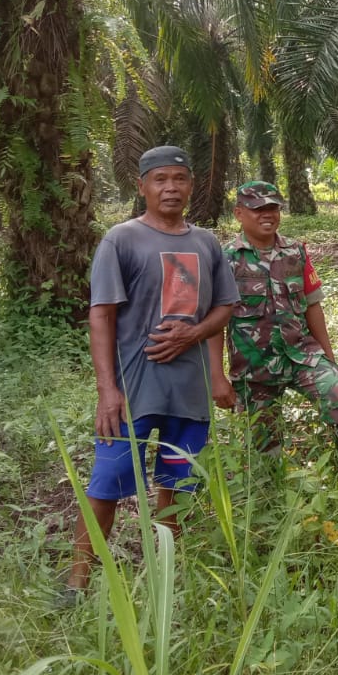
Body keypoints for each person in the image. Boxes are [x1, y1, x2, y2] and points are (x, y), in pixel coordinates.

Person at [64, 146, 239, 597]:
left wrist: (193, 334)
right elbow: (100, 316)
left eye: (179, 179)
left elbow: (225, 308)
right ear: (141, 186)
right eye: (160, 179)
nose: (170, 188)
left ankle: (166, 575)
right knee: (106, 484)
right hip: (133, 393)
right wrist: (108, 391)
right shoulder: (120, 240)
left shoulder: (206, 243)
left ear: (192, 185)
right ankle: (78, 582)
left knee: (176, 484)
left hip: (189, 393)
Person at [222, 180, 338, 475]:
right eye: (257, 209)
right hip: (255, 367)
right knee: (264, 446)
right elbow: (217, 320)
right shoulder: (226, 258)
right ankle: (272, 496)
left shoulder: (295, 252)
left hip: (302, 356)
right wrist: (217, 376)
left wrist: (330, 358)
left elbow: (313, 306)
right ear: (239, 213)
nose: (267, 215)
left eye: (273, 208)